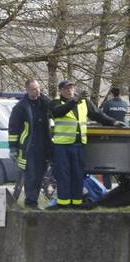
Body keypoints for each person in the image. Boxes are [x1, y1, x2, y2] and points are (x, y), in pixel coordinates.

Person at [49, 80, 123, 209]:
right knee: (63, 175)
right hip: (62, 145)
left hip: (78, 145)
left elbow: (97, 114)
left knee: (78, 174)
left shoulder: (83, 102)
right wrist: (74, 100)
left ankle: (77, 203)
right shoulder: (55, 103)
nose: (70, 91)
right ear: (60, 91)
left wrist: (113, 122)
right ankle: (63, 203)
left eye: (71, 88)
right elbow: (58, 112)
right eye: (66, 89)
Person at [8, 79, 53, 209]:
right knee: (31, 176)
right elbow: (13, 128)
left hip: (44, 146)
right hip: (29, 147)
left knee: (40, 175)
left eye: (38, 88)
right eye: (34, 89)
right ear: (27, 90)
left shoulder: (44, 102)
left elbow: (54, 109)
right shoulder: (21, 107)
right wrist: (13, 147)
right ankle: (31, 202)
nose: (37, 91)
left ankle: (34, 201)